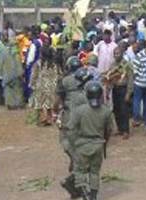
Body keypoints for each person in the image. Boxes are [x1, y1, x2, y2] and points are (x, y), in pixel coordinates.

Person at [68, 81, 113, 200]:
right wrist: (104, 142)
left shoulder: (79, 111)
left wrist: (74, 144)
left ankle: (84, 195)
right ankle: (93, 196)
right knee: (95, 172)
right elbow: (109, 130)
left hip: (82, 144)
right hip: (98, 145)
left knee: (80, 171)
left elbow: (71, 129)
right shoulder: (106, 111)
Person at [53, 57, 89, 199]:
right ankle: (78, 186)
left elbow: (57, 101)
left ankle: (74, 184)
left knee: (74, 152)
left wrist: (56, 111)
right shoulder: (88, 79)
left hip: (70, 122)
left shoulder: (64, 81)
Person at [109, 47, 133, 139]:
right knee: (116, 110)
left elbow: (130, 79)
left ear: (122, 54)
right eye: (115, 53)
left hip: (124, 89)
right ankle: (119, 128)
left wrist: (128, 93)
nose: (116, 55)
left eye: (118, 53)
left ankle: (126, 131)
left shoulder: (127, 65)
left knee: (124, 111)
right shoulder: (112, 65)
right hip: (115, 89)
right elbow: (110, 77)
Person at [132, 39, 146, 127]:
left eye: (138, 44)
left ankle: (136, 119)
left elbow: (135, 71)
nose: (137, 46)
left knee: (136, 100)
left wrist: (135, 79)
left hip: (139, 82)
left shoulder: (138, 56)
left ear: (141, 45)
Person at [3, 41, 25, 109]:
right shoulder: (16, 55)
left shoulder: (5, 54)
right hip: (16, 75)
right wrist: (21, 74)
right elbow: (18, 67)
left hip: (7, 75)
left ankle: (10, 104)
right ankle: (18, 104)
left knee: (8, 90)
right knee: (17, 90)